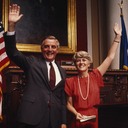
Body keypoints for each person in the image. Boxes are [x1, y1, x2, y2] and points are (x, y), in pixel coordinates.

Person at [4, 4, 67, 128]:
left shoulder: (62, 71)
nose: (50, 49)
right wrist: (11, 25)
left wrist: (63, 121)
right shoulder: (32, 63)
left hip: (54, 120)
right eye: (46, 46)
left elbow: (62, 100)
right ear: (41, 49)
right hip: (31, 118)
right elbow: (13, 52)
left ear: (57, 50)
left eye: (53, 47)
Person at [64, 23, 122, 128]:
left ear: (89, 63)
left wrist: (117, 37)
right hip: (78, 118)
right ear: (75, 64)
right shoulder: (70, 81)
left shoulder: (95, 75)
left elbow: (110, 57)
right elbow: (68, 104)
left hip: (94, 118)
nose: (81, 62)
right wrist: (76, 113)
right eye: (78, 61)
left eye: (84, 60)